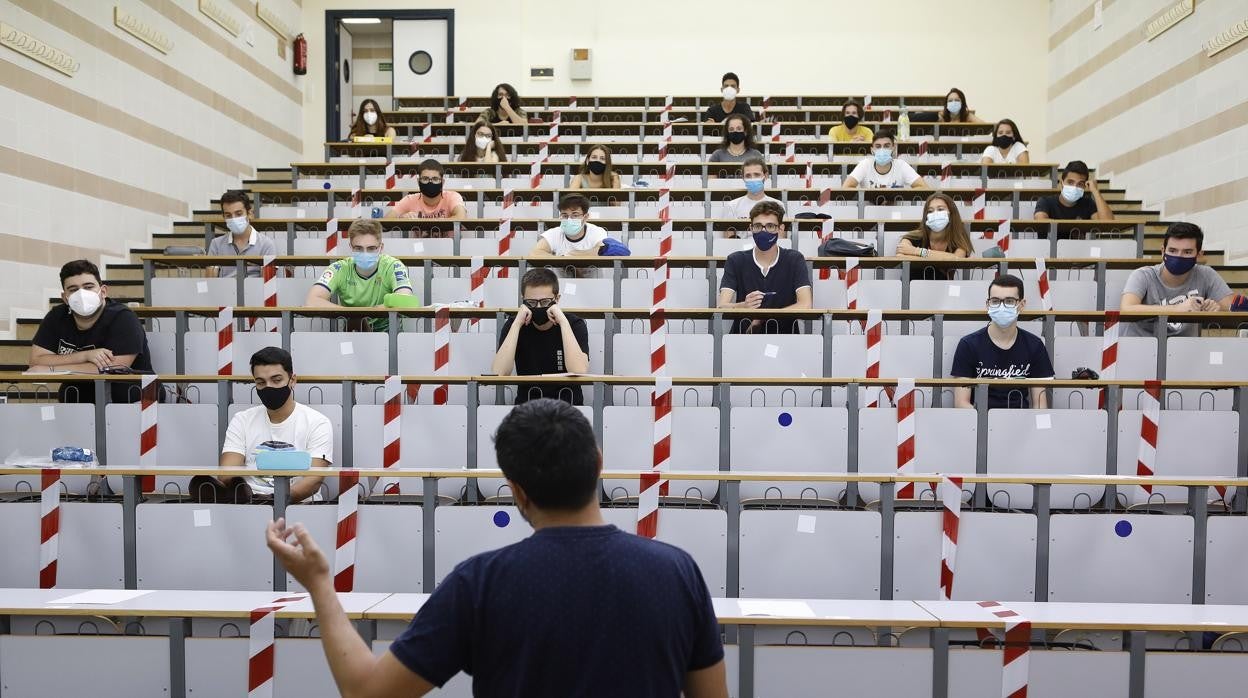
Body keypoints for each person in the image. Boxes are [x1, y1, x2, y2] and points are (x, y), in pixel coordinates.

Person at [266, 398, 727, 697]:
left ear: (516, 491)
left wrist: (320, 585)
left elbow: (367, 693)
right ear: (599, 465)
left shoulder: (479, 582)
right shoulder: (677, 571)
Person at [190, 346, 331, 504]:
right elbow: (227, 473)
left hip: (298, 506)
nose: (268, 387)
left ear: (293, 380)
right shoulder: (242, 420)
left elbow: (314, 479)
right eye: (261, 382)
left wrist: (274, 500)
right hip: (248, 503)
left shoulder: (318, 422)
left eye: (276, 380)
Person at [28, 259, 155, 404]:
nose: (82, 294)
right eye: (73, 289)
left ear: (103, 291)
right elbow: (36, 361)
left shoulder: (124, 318)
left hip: (134, 401)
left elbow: (113, 369)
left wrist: (51, 370)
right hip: (78, 401)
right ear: (65, 298)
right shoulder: (57, 316)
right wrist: (85, 355)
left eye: (88, 287)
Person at [950, 274, 1054, 409]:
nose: (1001, 306)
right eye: (995, 301)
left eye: (1009, 301)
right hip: (981, 425)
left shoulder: (1035, 346)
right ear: (987, 305)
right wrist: (990, 425)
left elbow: (1039, 403)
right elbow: (961, 403)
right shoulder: (968, 345)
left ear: (1022, 305)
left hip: (1021, 424)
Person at [491, 269, 591, 404]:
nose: (538, 307)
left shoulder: (574, 324)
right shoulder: (514, 324)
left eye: (545, 302)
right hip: (527, 409)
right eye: (531, 302)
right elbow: (499, 373)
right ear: (523, 300)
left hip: (568, 409)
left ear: (557, 299)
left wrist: (562, 322)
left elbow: (579, 370)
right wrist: (516, 325)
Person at [1120, 222, 1233, 338]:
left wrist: (1217, 307)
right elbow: (1127, 308)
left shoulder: (1206, 274)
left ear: (1199, 255)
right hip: (1141, 348)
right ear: (1163, 251)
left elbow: (1234, 307)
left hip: (1186, 350)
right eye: (1173, 251)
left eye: (1187, 252)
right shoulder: (1143, 275)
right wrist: (1177, 308)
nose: (1179, 256)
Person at [717, 201, 812, 334]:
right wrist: (743, 306)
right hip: (742, 339)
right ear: (751, 228)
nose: (763, 231)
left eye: (770, 226)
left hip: (785, 338)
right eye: (758, 226)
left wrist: (764, 317)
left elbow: (806, 305)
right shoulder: (736, 260)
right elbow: (722, 306)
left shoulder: (794, 259)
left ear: (781, 228)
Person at [305, 219, 414, 332]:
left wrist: (372, 311)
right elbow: (312, 300)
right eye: (358, 248)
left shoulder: (393, 266)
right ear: (351, 247)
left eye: (371, 248)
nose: (365, 253)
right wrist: (352, 314)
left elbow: (405, 298)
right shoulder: (339, 268)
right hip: (353, 333)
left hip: (389, 335)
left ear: (381, 248)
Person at [897, 193, 974, 279]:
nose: (935, 214)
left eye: (940, 209)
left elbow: (956, 259)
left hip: (944, 288)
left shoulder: (959, 238)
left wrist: (917, 251)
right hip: (912, 287)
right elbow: (900, 255)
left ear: (951, 213)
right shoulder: (914, 236)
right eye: (930, 211)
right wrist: (942, 258)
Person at [207, 190, 277, 277]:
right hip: (224, 289)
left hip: (254, 289)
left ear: (249, 213)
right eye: (228, 215)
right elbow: (210, 282)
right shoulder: (216, 244)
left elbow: (268, 284)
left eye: (238, 214)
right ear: (224, 217)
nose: (233, 219)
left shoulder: (266, 244)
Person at [530, 193, 608, 257]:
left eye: (575, 215)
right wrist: (562, 259)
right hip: (560, 276)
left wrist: (570, 256)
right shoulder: (555, 233)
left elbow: (602, 251)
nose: (569, 219)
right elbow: (535, 253)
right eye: (565, 215)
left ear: (585, 217)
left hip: (593, 276)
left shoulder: (597, 231)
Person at [386, 159, 467, 219]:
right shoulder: (410, 199)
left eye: (435, 179)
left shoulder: (452, 197)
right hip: (418, 242)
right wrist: (402, 218)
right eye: (425, 179)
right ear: (418, 181)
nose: (430, 183)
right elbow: (387, 221)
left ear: (442, 182)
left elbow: (461, 217)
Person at [843, 129, 925, 189]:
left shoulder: (901, 165)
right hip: (869, 211)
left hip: (896, 211)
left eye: (886, 146)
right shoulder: (865, 164)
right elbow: (846, 187)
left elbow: (923, 187)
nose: (882, 149)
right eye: (878, 146)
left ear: (893, 148)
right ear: (872, 150)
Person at [1033, 160, 1112, 220]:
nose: (1074, 187)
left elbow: (1108, 223)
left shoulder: (1088, 204)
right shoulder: (1045, 201)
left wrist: (1095, 191)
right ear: (1061, 183)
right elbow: (1041, 220)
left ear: (1084, 187)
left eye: (1080, 184)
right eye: (1070, 182)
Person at [717, 156, 782, 222]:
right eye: (748, 175)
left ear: (766, 176)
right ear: (743, 178)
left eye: (757, 175)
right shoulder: (732, 206)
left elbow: (782, 231)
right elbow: (728, 231)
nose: (752, 178)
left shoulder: (778, 205)